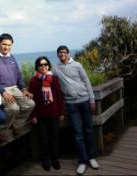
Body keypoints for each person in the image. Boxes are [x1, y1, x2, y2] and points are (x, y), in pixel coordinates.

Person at [52, 45, 99, 175]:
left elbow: (86, 81)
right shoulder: (56, 68)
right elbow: (47, 76)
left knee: (89, 129)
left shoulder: (77, 65)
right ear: (57, 55)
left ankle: (92, 157)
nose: (62, 54)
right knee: (78, 133)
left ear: (68, 53)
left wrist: (92, 100)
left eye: (64, 52)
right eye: (60, 53)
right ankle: (83, 161)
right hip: (71, 105)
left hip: (84, 101)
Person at [0, 33, 35, 142]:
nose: (6, 47)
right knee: (13, 108)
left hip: (14, 88)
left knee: (30, 104)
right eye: (4, 44)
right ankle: (3, 130)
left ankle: (17, 125)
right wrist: (3, 92)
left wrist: (24, 89)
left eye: (9, 45)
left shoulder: (11, 57)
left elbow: (18, 75)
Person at [28, 56, 65, 171]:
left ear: (48, 65)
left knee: (55, 138)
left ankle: (55, 159)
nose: (43, 66)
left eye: (45, 64)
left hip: (54, 114)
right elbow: (31, 100)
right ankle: (46, 160)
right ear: (37, 67)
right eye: (41, 65)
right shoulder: (33, 80)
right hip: (40, 115)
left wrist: (61, 112)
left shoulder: (53, 79)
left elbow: (59, 96)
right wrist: (33, 115)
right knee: (43, 139)